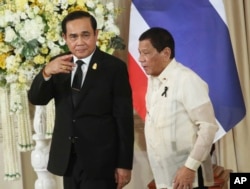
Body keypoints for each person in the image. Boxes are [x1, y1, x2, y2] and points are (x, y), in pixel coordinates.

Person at [28, 10, 134, 189]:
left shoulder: (114, 68)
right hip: (68, 160)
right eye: (73, 36)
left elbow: (124, 119)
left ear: (96, 34)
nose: (79, 42)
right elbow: (37, 99)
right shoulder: (59, 63)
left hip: (101, 163)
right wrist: (45, 72)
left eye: (85, 35)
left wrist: (124, 164)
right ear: (64, 37)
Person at [138, 27, 219, 189]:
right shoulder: (153, 81)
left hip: (190, 177)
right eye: (139, 53)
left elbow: (208, 127)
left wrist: (190, 166)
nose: (141, 59)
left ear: (166, 53)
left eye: (146, 53)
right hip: (164, 177)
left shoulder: (187, 80)